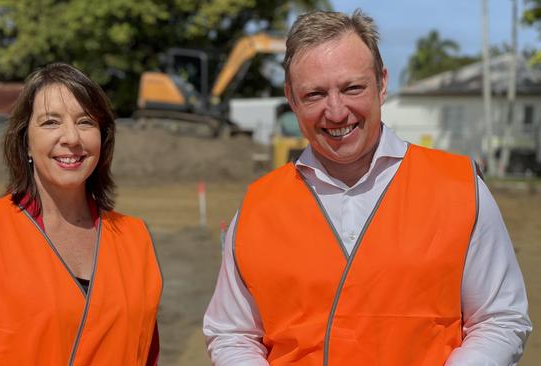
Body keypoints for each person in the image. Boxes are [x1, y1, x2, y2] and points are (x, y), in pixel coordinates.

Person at [204, 9, 532, 366]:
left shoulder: (460, 189)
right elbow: (232, 332)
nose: (336, 111)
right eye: (314, 94)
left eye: (352, 88)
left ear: (382, 83)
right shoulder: (258, 207)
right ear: (292, 99)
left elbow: (500, 319)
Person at [0, 63, 162, 365]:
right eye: (51, 122)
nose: (72, 138)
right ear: (26, 139)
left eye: (86, 122)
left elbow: (145, 352)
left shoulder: (134, 238)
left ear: (103, 139)